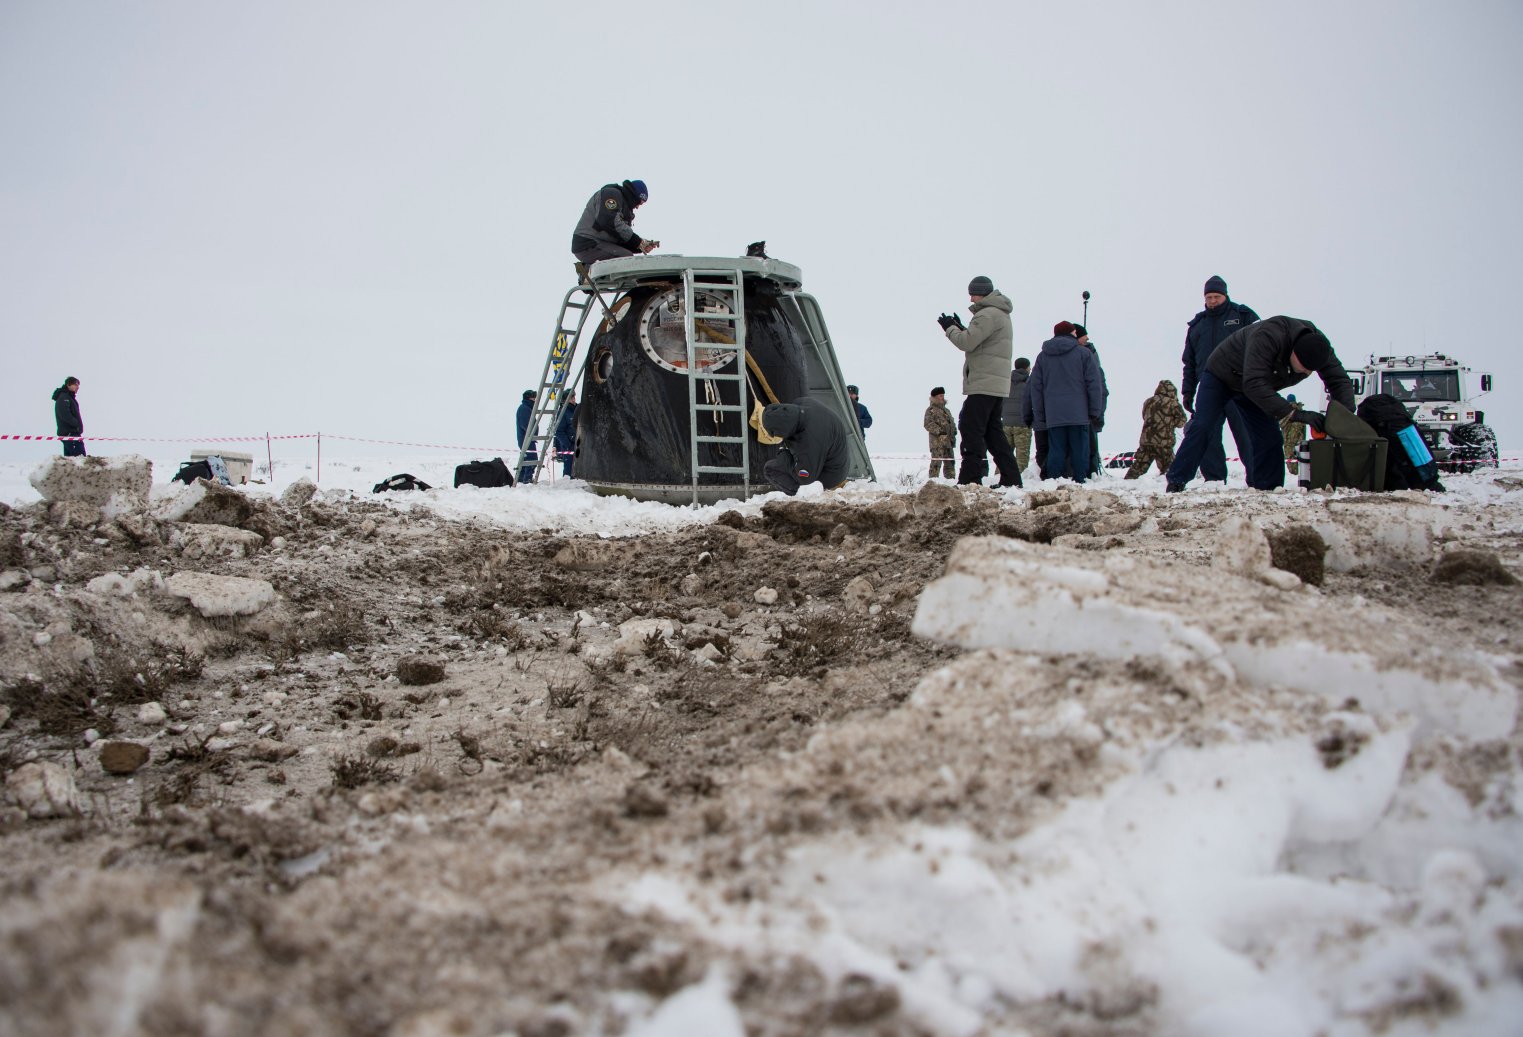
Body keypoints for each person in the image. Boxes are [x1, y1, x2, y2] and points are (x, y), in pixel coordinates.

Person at [1166, 316, 1355, 492]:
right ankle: (1176, 481)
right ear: (1293, 351)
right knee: (1204, 425)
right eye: (1304, 367)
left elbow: (1339, 380)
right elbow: (1254, 383)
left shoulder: (1320, 347)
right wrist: (1297, 414)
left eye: (1311, 370)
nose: (1306, 373)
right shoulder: (1269, 336)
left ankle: (1269, 489)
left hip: (1256, 386)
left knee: (1270, 437)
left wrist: (1344, 417)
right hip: (1222, 376)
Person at [937, 275, 1023, 487]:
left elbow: (967, 342)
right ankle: (1011, 477)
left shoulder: (987, 315)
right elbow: (981, 341)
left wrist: (950, 328)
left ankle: (970, 477)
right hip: (996, 383)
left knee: (970, 426)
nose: (971, 299)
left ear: (980, 293)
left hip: (984, 382)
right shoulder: (999, 314)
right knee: (993, 433)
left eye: (972, 294)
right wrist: (961, 326)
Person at [1181, 276, 1260, 482]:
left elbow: (1261, 349)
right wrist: (1188, 392)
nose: (1213, 301)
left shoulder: (1243, 316)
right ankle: (1214, 480)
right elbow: (1189, 363)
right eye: (1209, 297)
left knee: (1247, 436)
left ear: (1225, 295)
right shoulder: (1198, 325)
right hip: (1209, 389)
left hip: (1239, 387)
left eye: (1217, 296)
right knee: (1206, 434)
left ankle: (1258, 478)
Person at [1027, 322, 1104, 482]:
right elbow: (1094, 384)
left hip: (1054, 413)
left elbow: (1036, 387)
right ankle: (1080, 481)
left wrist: (1040, 414)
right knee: (1079, 450)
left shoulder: (1042, 357)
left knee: (1056, 450)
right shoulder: (1084, 354)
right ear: (1071, 333)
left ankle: (1053, 482)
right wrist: (1095, 410)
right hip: (1079, 413)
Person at [759, 397, 849, 496]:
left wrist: (784, 455)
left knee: (770, 468)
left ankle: (802, 496)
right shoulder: (803, 402)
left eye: (774, 432)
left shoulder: (809, 441)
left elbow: (805, 478)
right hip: (837, 463)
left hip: (831, 476)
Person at [570, 180, 659, 272]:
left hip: (600, 243)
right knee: (625, 258)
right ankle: (589, 272)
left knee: (626, 256)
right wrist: (637, 241)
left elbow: (620, 237)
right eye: (639, 203)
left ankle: (609, 280)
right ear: (635, 197)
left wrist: (640, 246)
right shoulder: (611, 194)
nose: (638, 207)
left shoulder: (626, 210)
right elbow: (609, 221)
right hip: (587, 242)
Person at [1124, 380, 1188, 479]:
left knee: (1138, 467)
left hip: (1146, 440)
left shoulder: (1148, 402)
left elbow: (1144, 416)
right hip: (1163, 441)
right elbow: (1181, 422)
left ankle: (1127, 483)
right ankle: (1170, 486)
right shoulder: (1173, 403)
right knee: (1170, 468)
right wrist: (1171, 424)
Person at [1073, 326, 1108, 475]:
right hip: (1088, 409)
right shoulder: (1089, 354)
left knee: (1086, 445)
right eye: (1084, 336)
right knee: (1088, 445)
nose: (1087, 338)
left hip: (1083, 409)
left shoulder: (1087, 353)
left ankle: (1089, 472)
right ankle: (1090, 472)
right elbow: (1099, 387)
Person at [1003, 358, 1033, 472]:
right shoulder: (1029, 382)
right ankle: (1019, 479)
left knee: (1005, 454)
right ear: (1026, 368)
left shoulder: (1006, 382)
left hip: (1006, 423)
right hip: (1022, 424)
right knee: (1022, 458)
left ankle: (1000, 476)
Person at [923, 387, 957, 479]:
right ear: (934, 397)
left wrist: (954, 431)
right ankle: (933, 484)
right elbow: (928, 424)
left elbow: (951, 423)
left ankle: (951, 483)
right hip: (937, 443)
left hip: (948, 442)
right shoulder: (931, 410)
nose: (942, 397)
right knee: (936, 464)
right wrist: (940, 432)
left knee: (950, 464)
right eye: (940, 395)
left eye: (943, 395)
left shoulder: (947, 411)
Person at [52, 377, 84, 457]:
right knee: (80, 459)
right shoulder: (64, 397)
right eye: (76, 384)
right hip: (70, 433)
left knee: (70, 461)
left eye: (78, 385)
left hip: (71, 433)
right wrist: (76, 424)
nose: (77, 387)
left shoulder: (69, 397)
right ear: (69, 385)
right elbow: (65, 414)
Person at [516, 389, 539, 484]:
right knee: (532, 459)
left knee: (526, 459)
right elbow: (526, 425)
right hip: (526, 439)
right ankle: (527, 479)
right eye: (534, 397)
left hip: (527, 438)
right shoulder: (525, 409)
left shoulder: (526, 408)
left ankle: (521, 479)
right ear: (529, 398)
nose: (535, 400)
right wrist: (532, 434)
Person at [554, 390, 578, 477]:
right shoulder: (563, 412)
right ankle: (567, 487)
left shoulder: (578, 409)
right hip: (569, 446)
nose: (573, 399)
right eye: (571, 397)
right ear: (565, 400)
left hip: (580, 444)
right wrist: (568, 444)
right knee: (569, 470)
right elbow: (559, 431)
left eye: (574, 397)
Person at [1282, 393, 1306, 474]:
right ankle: (1299, 474)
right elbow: (1304, 428)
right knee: (1301, 458)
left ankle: (1293, 474)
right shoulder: (1300, 411)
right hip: (1300, 440)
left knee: (1289, 459)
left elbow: (1281, 424)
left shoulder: (1285, 411)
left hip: (1288, 440)